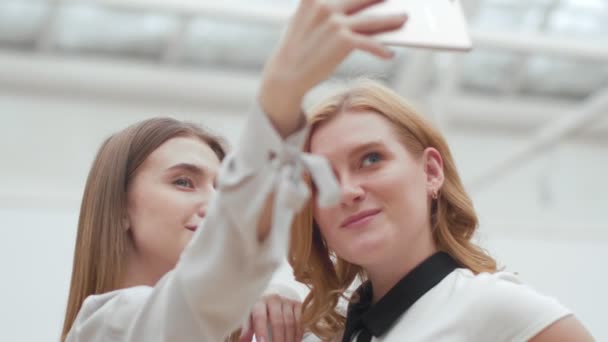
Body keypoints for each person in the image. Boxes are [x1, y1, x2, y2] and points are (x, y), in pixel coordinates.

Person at [61, 0, 408, 341]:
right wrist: (279, 98)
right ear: (121, 207)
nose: (214, 204)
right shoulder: (108, 326)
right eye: (183, 182)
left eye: (221, 186)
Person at [289, 79, 595, 341]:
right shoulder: (334, 328)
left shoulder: (493, 306)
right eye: (321, 179)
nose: (347, 191)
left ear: (432, 171)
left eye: (371, 159)